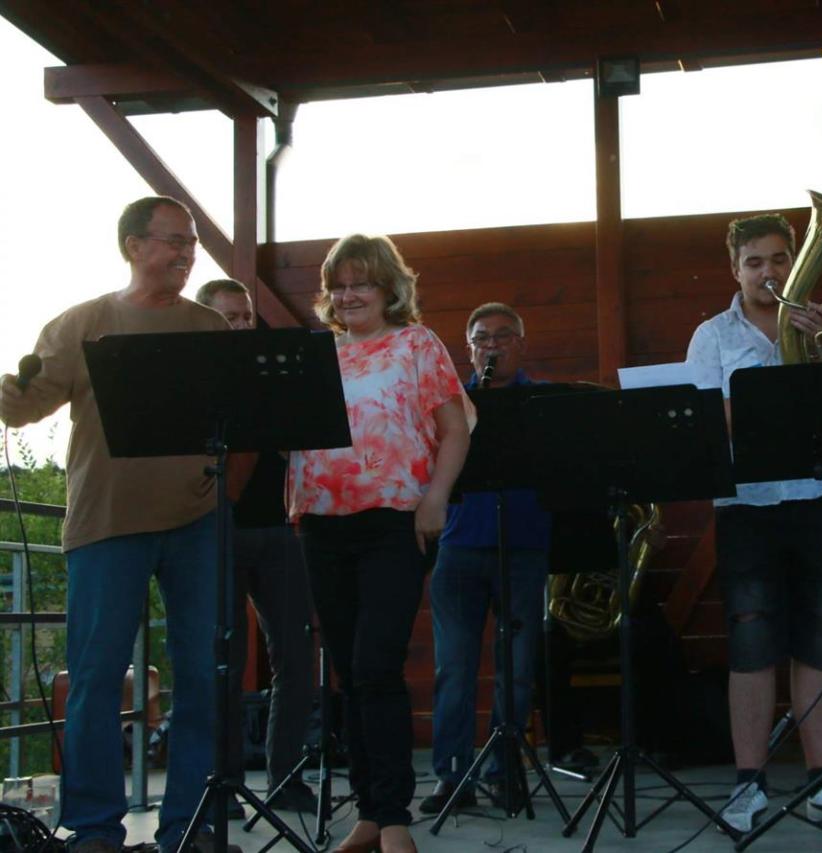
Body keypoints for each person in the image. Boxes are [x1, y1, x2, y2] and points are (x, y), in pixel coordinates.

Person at [0, 196, 236, 853]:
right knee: (96, 678)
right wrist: (12, 393)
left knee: (202, 677)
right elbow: (26, 407)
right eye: (174, 241)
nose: (186, 254)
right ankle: (95, 827)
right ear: (133, 245)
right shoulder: (84, 323)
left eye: (191, 243)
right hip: (106, 523)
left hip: (197, 520)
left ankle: (190, 824)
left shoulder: (210, 327)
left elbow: (236, 414)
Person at [685, 212, 822, 833]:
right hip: (747, 504)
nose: (767, 272)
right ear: (735, 270)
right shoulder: (712, 335)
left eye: (778, 259)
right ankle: (749, 785)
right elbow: (710, 422)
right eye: (754, 262)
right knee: (750, 644)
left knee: (819, 638)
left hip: (821, 495)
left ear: (794, 261)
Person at [288, 234, 471, 853]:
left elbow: (454, 430)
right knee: (348, 672)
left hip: (393, 521)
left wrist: (436, 498)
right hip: (321, 522)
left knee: (376, 666)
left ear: (389, 287)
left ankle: (394, 818)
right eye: (338, 286)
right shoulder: (320, 354)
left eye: (361, 282)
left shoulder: (416, 344)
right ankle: (369, 813)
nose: (348, 295)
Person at [421, 302, 555, 815]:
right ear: (469, 348)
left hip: (523, 547)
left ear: (521, 344)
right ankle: (452, 777)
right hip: (458, 548)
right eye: (482, 338)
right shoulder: (449, 403)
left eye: (502, 336)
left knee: (516, 671)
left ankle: (504, 772)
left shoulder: (541, 403)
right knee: (453, 668)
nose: (492, 346)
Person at [194, 279, 318, 817]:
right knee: (224, 658)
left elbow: (303, 444)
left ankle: (285, 778)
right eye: (229, 317)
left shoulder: (276, 376)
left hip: (280, 530)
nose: (241, 325)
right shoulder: (193, 379)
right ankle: (221, 785)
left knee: (297, 654)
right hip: (213, 529)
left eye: (245, 316)